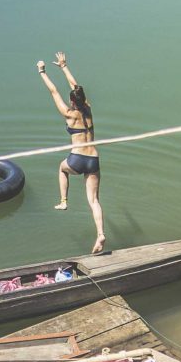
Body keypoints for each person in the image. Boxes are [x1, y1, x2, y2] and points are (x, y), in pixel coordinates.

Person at [37, 52, 106, 254]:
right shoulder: (88, 108)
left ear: (72, 102)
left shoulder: (69, 114)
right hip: (93, 159)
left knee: (62, 168)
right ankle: (100, 233)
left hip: (76, 159)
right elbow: (75, 87)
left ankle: (63, 201)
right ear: (83, 99)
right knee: (94, 200)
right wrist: (64, 66)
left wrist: (42, 71)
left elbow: (53, 91)